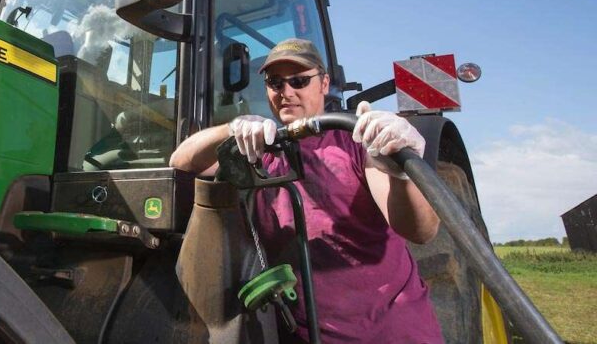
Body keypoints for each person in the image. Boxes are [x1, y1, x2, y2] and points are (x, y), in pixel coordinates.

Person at [169, 38, 444, 343]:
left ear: (324, 83)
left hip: (390, 333)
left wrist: (398, 175)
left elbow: (421, 231)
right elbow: (180, 163)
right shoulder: (259, 153)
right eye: (275, 83)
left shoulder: (355, 143)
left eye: (299, 81)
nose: (286, 92)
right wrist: (231, 129)